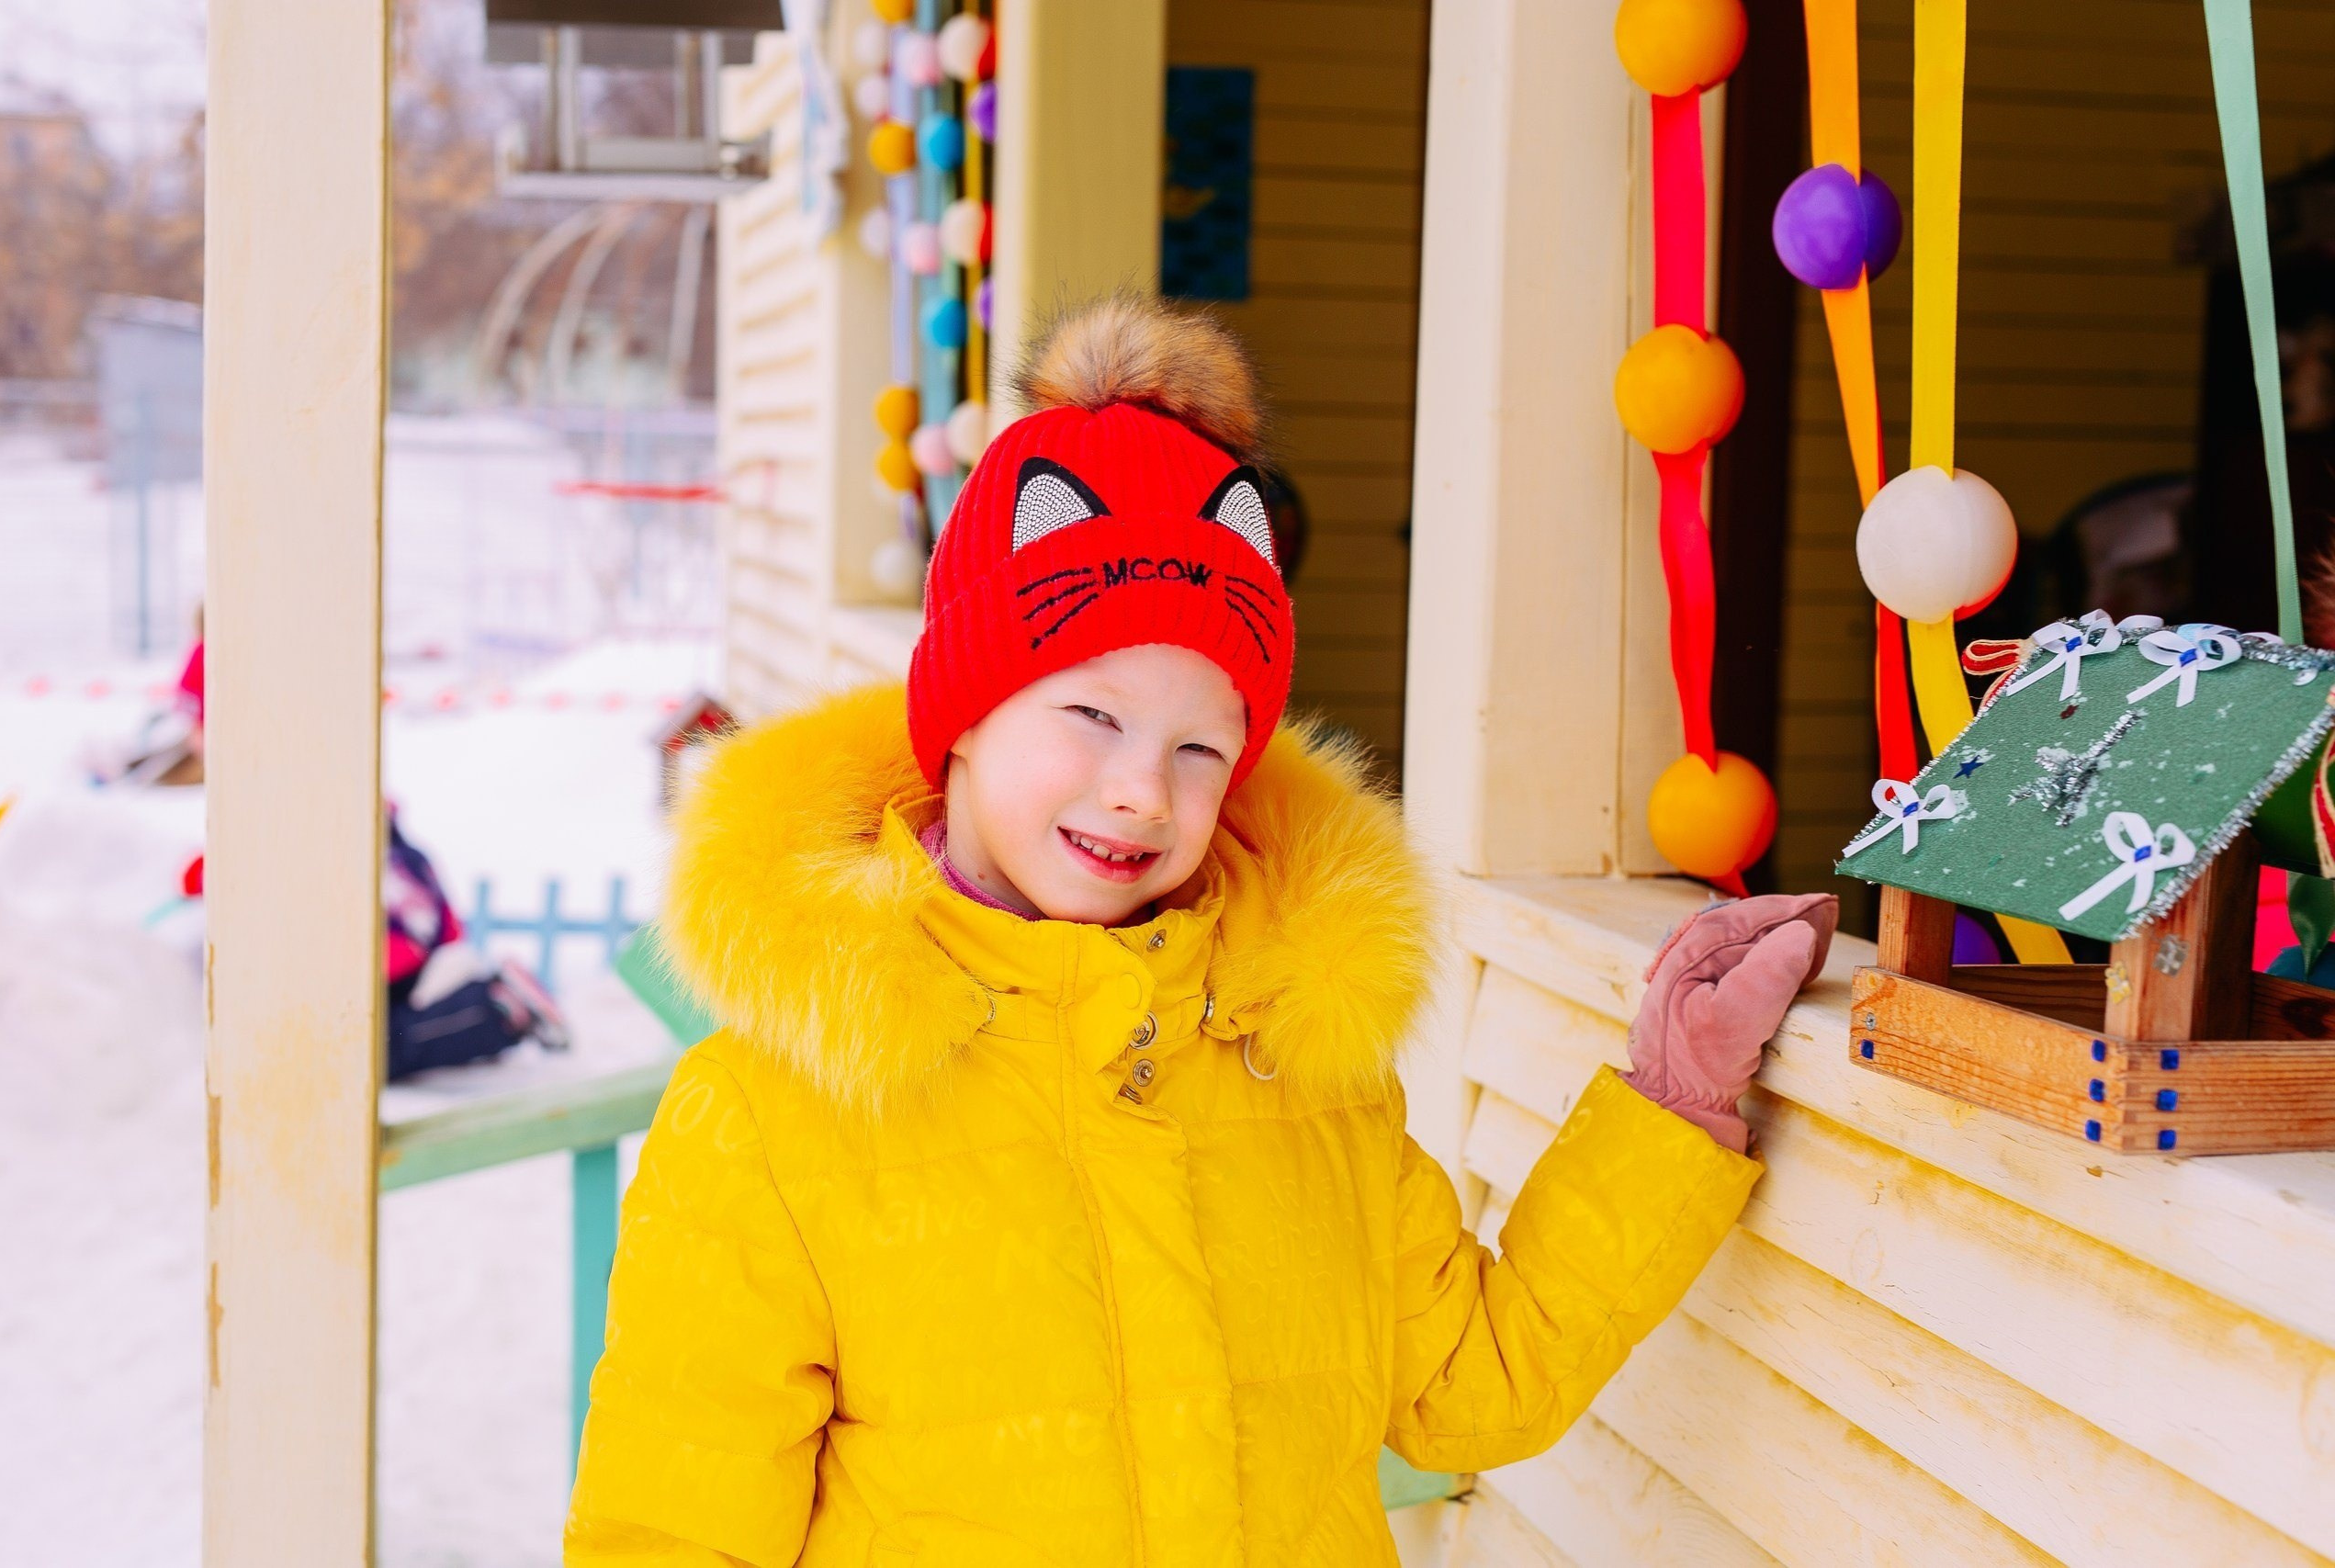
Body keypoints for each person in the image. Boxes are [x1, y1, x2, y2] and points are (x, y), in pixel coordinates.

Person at [564, 295, 1833, 1566]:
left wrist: (1672, 1098)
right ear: (961, 710)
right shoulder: (776, 1115)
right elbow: (670, 1530)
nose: (1141, 789)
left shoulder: (1295, 1058)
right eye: (1091, 715)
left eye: (1199, 745)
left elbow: (1470, 1384)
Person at [383, 807, 567, 1079]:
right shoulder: (412, 858)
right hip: (432, 960)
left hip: (395, 970)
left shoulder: (374, 864)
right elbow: (449, 923)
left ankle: (494, 1006)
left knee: (391, 1048)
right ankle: (493, 1002)